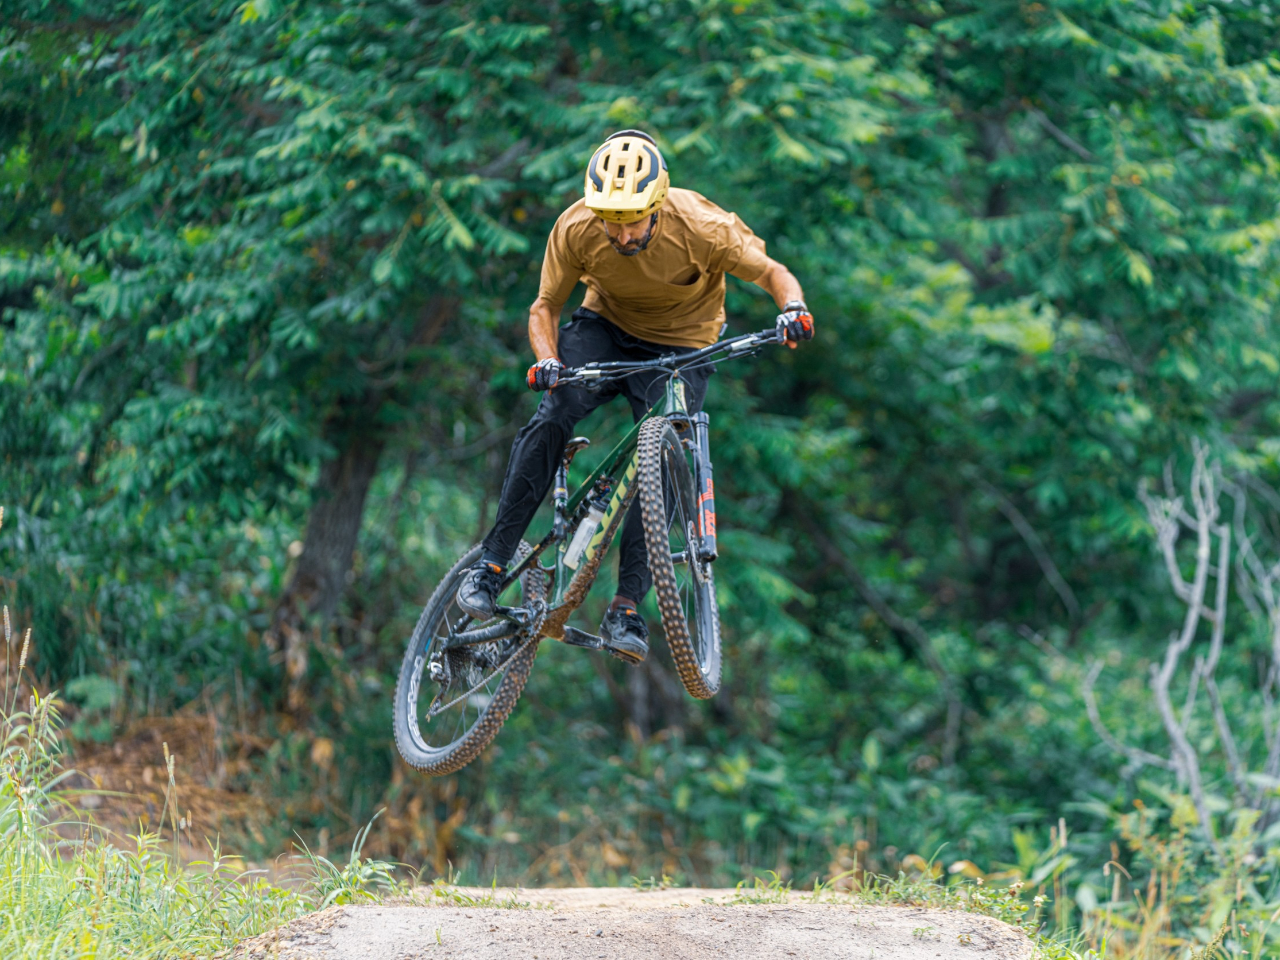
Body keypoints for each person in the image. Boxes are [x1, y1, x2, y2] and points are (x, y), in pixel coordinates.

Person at [456, 129, 813, 663]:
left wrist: (792, 309)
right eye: (610, 222)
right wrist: (547, 359)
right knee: (555, 411)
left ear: (658, 203)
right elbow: (544, 307)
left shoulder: (702, 225)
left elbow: (772, 273)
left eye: (632, 223)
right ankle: (492, 563)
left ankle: (627, 606)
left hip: (683, 344)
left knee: (665, 453)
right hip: (606, 327)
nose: (620, 236)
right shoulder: (577, 226)